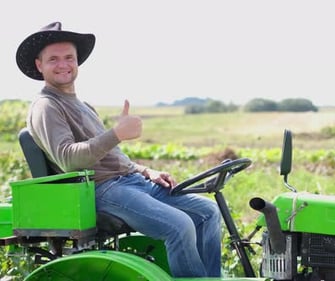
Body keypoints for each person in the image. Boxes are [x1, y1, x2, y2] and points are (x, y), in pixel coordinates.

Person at [16, 22, 222, 277]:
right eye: (53, 59)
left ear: (77, 61)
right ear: (39, 65)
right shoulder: (46, 106)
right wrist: (116, 134)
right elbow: (69, 159)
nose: (63, 64)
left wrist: (146, 170)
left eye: (69, 57)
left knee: (207, 211)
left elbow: (110, 156)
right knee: (179, 226)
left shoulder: (84, 105)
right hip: (103, 189)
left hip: (133, 182)